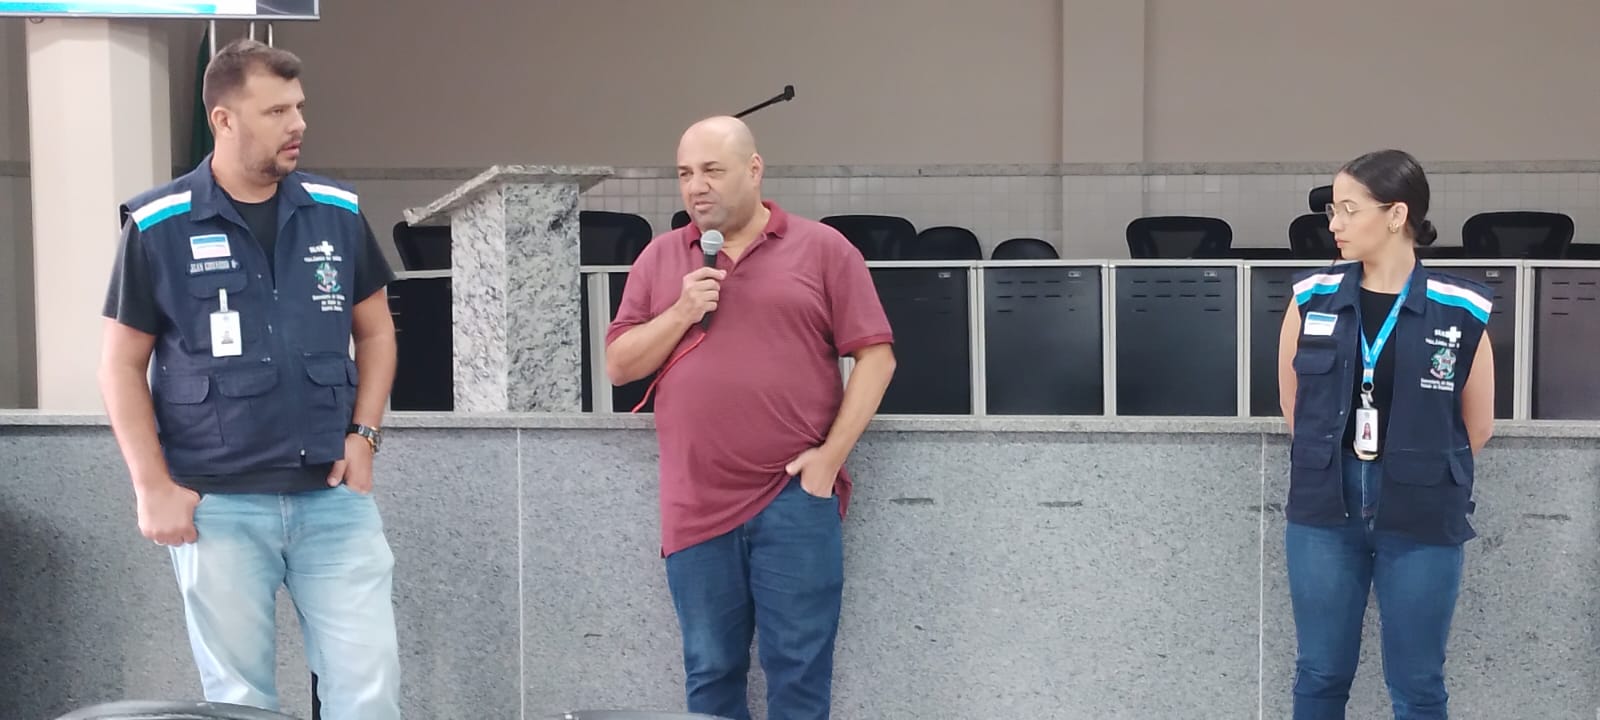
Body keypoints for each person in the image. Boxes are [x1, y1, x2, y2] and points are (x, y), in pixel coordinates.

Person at [97, 38, 401, 719]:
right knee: (239, 703)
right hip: (219, 506)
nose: (298, 124)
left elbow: (377, 332)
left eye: (299, 107)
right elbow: (120, 363)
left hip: (332, 500)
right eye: (276, 111)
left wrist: (365, 436)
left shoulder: (336, 211)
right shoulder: (159, 224)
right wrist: (152, 487)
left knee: (370, 688)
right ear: (224, 119)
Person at [604, 116, 897, 720]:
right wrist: (681, 310)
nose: (697, 187)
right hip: (695, 503)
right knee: (710, 671)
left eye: (712, 170)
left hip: (793, 497)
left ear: (754, 169)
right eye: (685, 174)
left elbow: (876, 358)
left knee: (800, 672)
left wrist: (828, 461)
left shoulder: (822, 249)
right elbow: (618, 365)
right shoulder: (661, 257)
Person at [1276, 149, 1495, 719]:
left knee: (1418, 683)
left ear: (1397, 215)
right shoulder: (1310, 297)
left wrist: (1415, 470)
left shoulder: (1461, 308)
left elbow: (1478, 423)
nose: (1335, 223)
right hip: (1325, 510)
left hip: (1422, 511)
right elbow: (1294, 406)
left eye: (1350, 209)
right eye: (1332, 209)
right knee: (1320, 672)